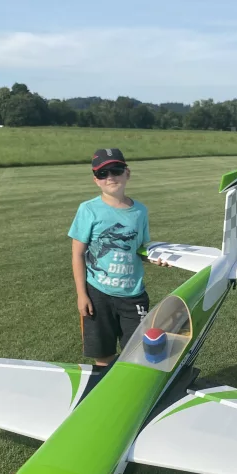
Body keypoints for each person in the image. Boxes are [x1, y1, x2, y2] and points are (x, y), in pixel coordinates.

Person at [68, 149, 165, 367]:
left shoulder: (140, 211)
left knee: (138, 353)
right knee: (103, 355)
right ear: (96, 180)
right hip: (98, 294)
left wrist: (156, 257)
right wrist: (82, 294)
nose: (110, 176)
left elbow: (138, 249)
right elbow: (77, 253)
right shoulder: (88, 209)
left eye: (116, 170)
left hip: (133, 294)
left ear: (127, 173)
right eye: (103, 173)